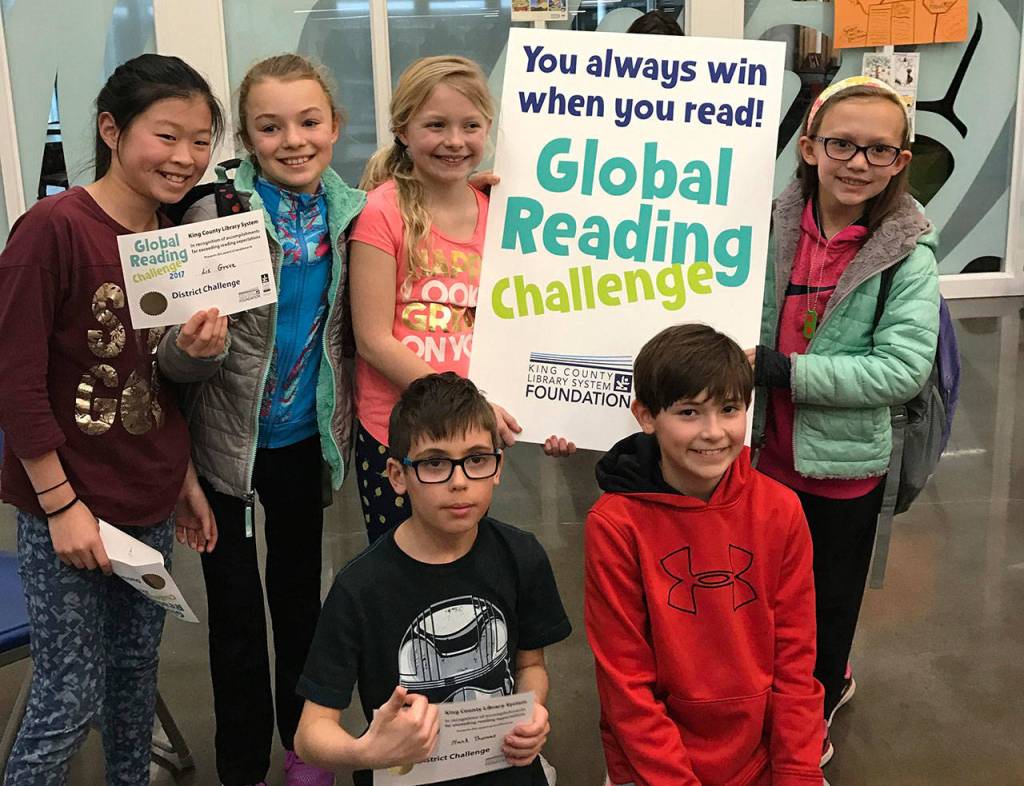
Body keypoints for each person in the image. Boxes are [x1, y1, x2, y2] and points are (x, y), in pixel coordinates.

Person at [0, 54, 222, 786]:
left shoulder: (169, 240)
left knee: (133, 682)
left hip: (149, 499)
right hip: (69, 504)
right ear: (110, 129)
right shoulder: (53, 229)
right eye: (167, 135)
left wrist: (183, 476)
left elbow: (153, 380)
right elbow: (16, 383)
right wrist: (61, 508)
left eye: (201, 140)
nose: (186, 157)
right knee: (69, 697)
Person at [156, 54, 365, 786]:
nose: (293, 140)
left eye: (309, 122)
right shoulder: (212, 214)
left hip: (304, 445)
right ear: (246, 136)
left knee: (301, 604)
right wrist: (188, 350)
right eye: (270, 126)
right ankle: (241, 767)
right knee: (238, 621)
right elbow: (166, 360)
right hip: (224, 457)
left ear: (334, 127)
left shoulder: (354, 213)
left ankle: (305, 751)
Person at [748, 75, 940, 764]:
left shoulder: (908, 256)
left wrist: (784, 371)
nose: (857, 162)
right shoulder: (764, 226)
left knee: (828, 607)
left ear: (900, 160)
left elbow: (900, 370)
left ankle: (820, 700)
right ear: (808, 146)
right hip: (762, 460)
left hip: (844, 474)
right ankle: (789, 686)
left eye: (877, 150)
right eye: (841, 144)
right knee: (767, 597)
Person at [293, 372, 572, 785]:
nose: (459, 482)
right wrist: (364, 751)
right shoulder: (360, 587)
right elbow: (309, 733)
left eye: (477, 459)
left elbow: (531, 664)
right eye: (435, 463)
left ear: (497, 468)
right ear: (397, 476)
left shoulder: (521, 556)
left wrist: (532, 712)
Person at [585, 324, 824, 786]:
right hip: (653, 762)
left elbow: (796, 659)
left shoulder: (780, 509)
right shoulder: (615, 525)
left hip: (760, 755)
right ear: (646, 415)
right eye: (689, 412)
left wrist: (796, 771)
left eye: (730, 409)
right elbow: (625, 682)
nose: (713, 433)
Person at [350, 55, 573, 542]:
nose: (454, 140)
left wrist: (560, 412)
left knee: (461, 559)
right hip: (398, 431)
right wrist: (468, 405)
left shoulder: (502, 213)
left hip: (473, 436)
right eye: (436, 125)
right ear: (403, 129)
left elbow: (529, 320)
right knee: (400, 568)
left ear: (488, 128)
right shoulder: (380, 213)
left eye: (470, 125)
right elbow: (372, 340)